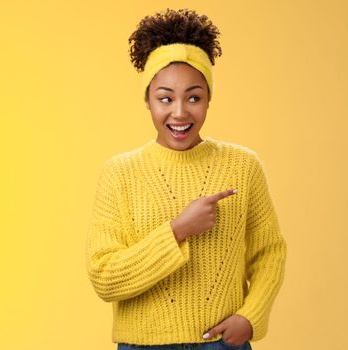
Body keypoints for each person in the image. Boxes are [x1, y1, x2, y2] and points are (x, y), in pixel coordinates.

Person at [85, 8, 287, 350]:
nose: (180, 112)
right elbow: (105, 277)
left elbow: (270, 252)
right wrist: (178, 230)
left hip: (221, 344)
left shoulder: (243, 166)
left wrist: (251, 317)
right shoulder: (120, 172)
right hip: (141, 346)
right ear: (148, 100)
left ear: (209, 98)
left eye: (194, 97)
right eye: (165, 98)